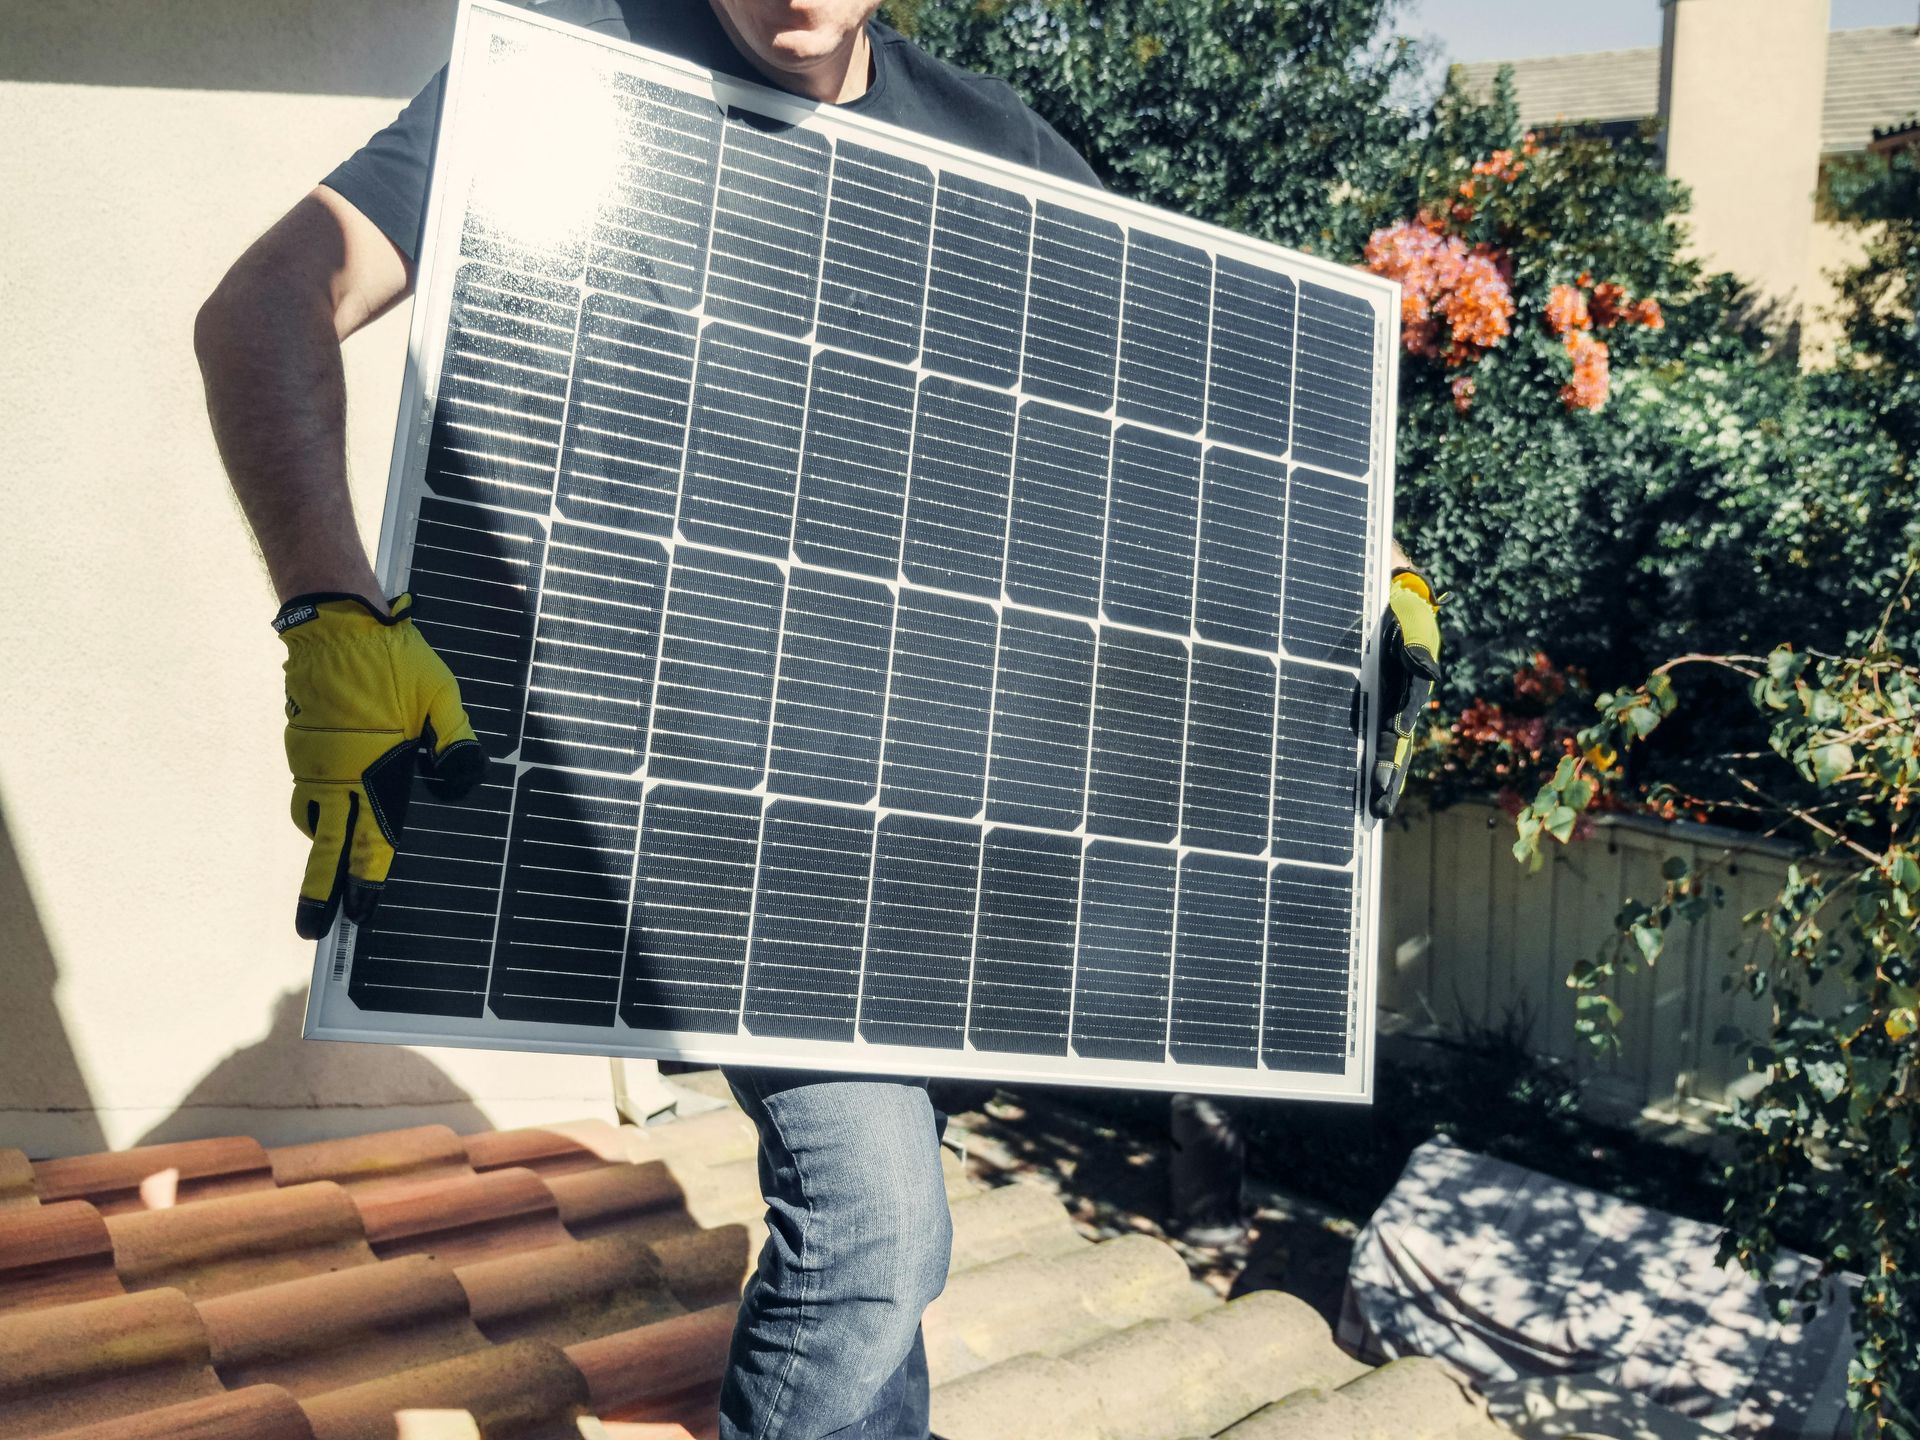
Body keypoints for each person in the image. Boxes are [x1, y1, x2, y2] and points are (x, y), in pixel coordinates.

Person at [194, 0, 1439, 1433]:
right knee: (879, 1232)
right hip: (721, 822)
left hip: (950, 842)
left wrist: (1365, 569)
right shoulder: (575, 85)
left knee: (881, 1269)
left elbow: (1184, 452)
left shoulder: (999, 149)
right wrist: (331, 606)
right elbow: (264, 303)